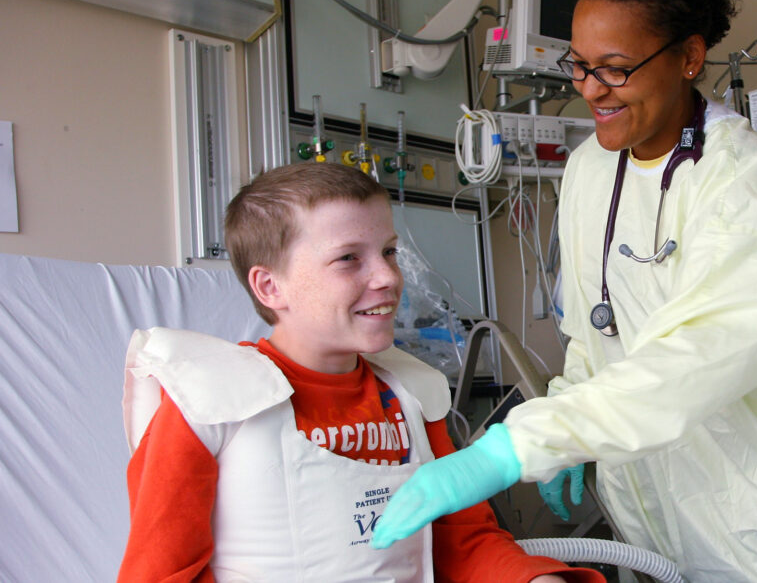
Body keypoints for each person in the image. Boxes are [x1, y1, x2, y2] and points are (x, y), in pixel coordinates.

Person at [373, 0, 757, 581]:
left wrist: (526, 443)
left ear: (689, 57)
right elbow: (595, 334)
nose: (592, 89)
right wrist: (566, 409)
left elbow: (705, 351)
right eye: (580, 65)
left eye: (616, 69)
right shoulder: (588, 170)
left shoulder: (742, 177)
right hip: (647, 515)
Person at [119, 163, 602, 583]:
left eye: (389, 252)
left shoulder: (413, 394)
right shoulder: (209, 406)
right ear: (270, 286)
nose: (389, 277)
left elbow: (462, 542)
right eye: (349, 258)